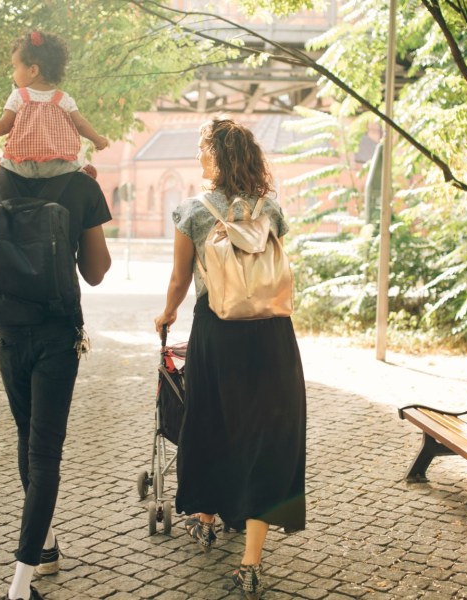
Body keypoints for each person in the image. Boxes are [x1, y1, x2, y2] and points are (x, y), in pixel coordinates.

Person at [153, 118, 306, 600]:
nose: (199, 159)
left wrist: (167, 313)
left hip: (217, 334)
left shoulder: (193, 212)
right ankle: (251, 561)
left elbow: (180, 280)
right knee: (266, 436)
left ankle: (205, 518)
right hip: (273, 336)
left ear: (216, 157)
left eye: (203, 151)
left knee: (213, 425)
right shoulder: (272, 209)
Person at [0, 168, 112, 600]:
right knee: (45, 451)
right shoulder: (82, 185)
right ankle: (19, 586)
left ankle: (46, 547)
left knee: (26, 436)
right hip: (56, 334)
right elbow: (97, 272)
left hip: (8, 331)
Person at [0, 30, 109, 179]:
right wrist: (97, 140)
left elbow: (3, 125)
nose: (13, 73)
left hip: (22, 167)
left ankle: (2, 167)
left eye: (15, 67)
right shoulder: (64, 99)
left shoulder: (19, 96)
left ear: (33, 70)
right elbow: (80, 124)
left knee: (5, 164)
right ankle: (82, 174)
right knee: (73, 167)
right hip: (59, 168)